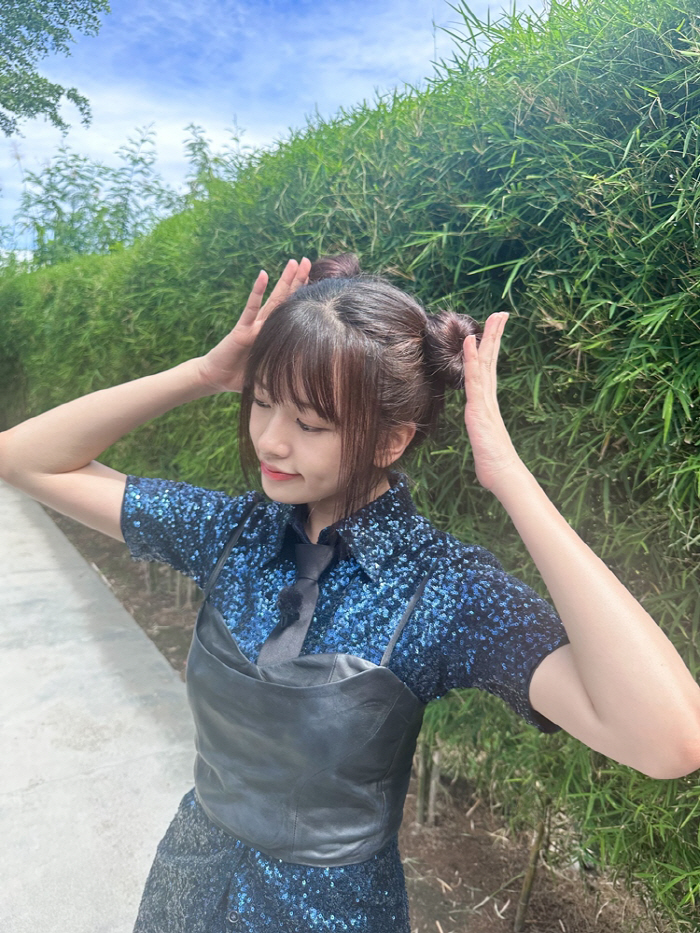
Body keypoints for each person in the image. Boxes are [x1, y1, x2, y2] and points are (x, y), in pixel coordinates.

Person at [1, 253, 699, 933]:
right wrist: (203, 374)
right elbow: (24, 458)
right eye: (261, 403)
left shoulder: (443, 588)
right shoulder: (230, 533)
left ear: (391, 440)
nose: (271, 442)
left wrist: (510, 476)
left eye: (308, 424)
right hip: (186, 890)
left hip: (335, 914)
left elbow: (669, 740)